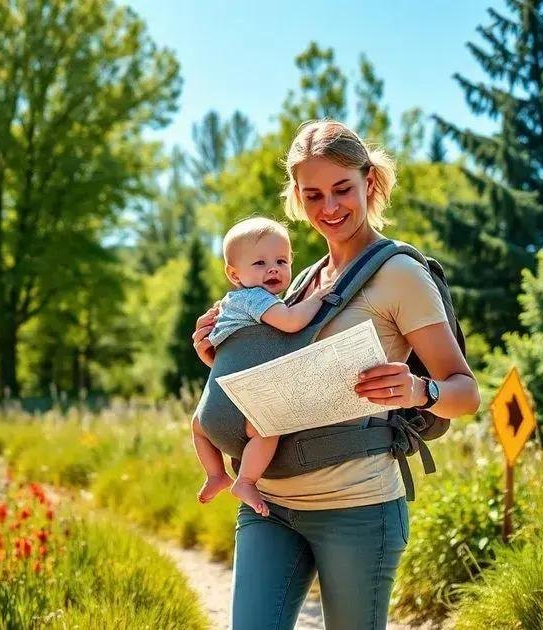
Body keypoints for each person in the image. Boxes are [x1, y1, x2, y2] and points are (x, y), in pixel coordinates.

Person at [191, 120, 481, 629]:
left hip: (357, 509)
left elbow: (466, 392)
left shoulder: (401, 276)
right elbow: (276, 383)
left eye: (343, 189)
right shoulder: (297, 283)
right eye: (313, 195)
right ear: (297, 200)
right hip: (269, 506)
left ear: (369, 182)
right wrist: (217, 354)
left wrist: (419, 389)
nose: (330, 207)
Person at [191, 217, 336, 517]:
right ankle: (245, 480)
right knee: (268, 428)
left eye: (282, 261)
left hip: (211, 410)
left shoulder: (229, 305)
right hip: (242, 407)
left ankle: (216, 474)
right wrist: (318, 298)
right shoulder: (254, 298)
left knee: (198, 427)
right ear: (234, 274)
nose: (273, 268)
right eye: (259, 263)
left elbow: (225, 356)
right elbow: (292, 321)